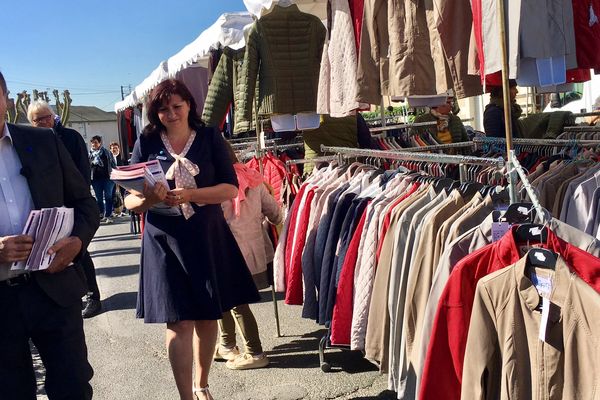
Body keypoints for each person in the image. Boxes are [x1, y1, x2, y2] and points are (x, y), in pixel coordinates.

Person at [124, 78, 259, 400]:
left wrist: (191, 194)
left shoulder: (211, 137)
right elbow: (129, 199)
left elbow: (230, 188)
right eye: (163, 109)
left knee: (207, 315)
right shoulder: (146, 142)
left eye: (177, 107)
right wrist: (149, 200)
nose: (171, 114)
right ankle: (185, 395)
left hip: (205, 236)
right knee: (177, 322)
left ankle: (202, 385)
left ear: (189, 106)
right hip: (164, 240)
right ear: (154, 113)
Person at [0, 71, 100, 399]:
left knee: (73, 389)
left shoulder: (44, 142)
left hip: (54, 290)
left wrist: (77, 242)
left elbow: (85, 203)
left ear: (7, 100)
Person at [210, 142, 283, 371]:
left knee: (235, 303)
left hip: (227, 252)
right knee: (224, 299)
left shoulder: (215, 186)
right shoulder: (254, 178)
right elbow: (276, 215)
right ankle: (227, 344)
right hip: (254, 252)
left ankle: (255, 352)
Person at [27, 100, 103, 318]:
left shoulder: (70, 137)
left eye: (46, 117)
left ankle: (93, 296)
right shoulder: (31, 142)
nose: (44, 122)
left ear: (54, 116)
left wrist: (79, 199)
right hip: (48, 209)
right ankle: (71, 296)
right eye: (38, 120)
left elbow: (82, 170)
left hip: (73, 205)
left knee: (80, 251)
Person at [89, 135, 116, 223]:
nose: (94, 144)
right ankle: (101, 213)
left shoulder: (106, 152)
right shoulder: (89, 154)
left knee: (108, 196)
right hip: (95, 179)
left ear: (100, 143)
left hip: (108, 178)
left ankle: (108, 215)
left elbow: (113, 164)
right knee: (98, 198)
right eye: (92, 143)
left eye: (96, 142)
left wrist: (116, 175)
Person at [108, 142, 127, 216]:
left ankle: (124, 210)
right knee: (112, 194)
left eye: (116, 148)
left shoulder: (122, 157)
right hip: (112, 179)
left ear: (118, 149)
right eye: (113, 148)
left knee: (123, 193)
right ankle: (113, 210)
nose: (114, 150)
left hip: (121, 178)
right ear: (110, 149)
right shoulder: (108, 158)